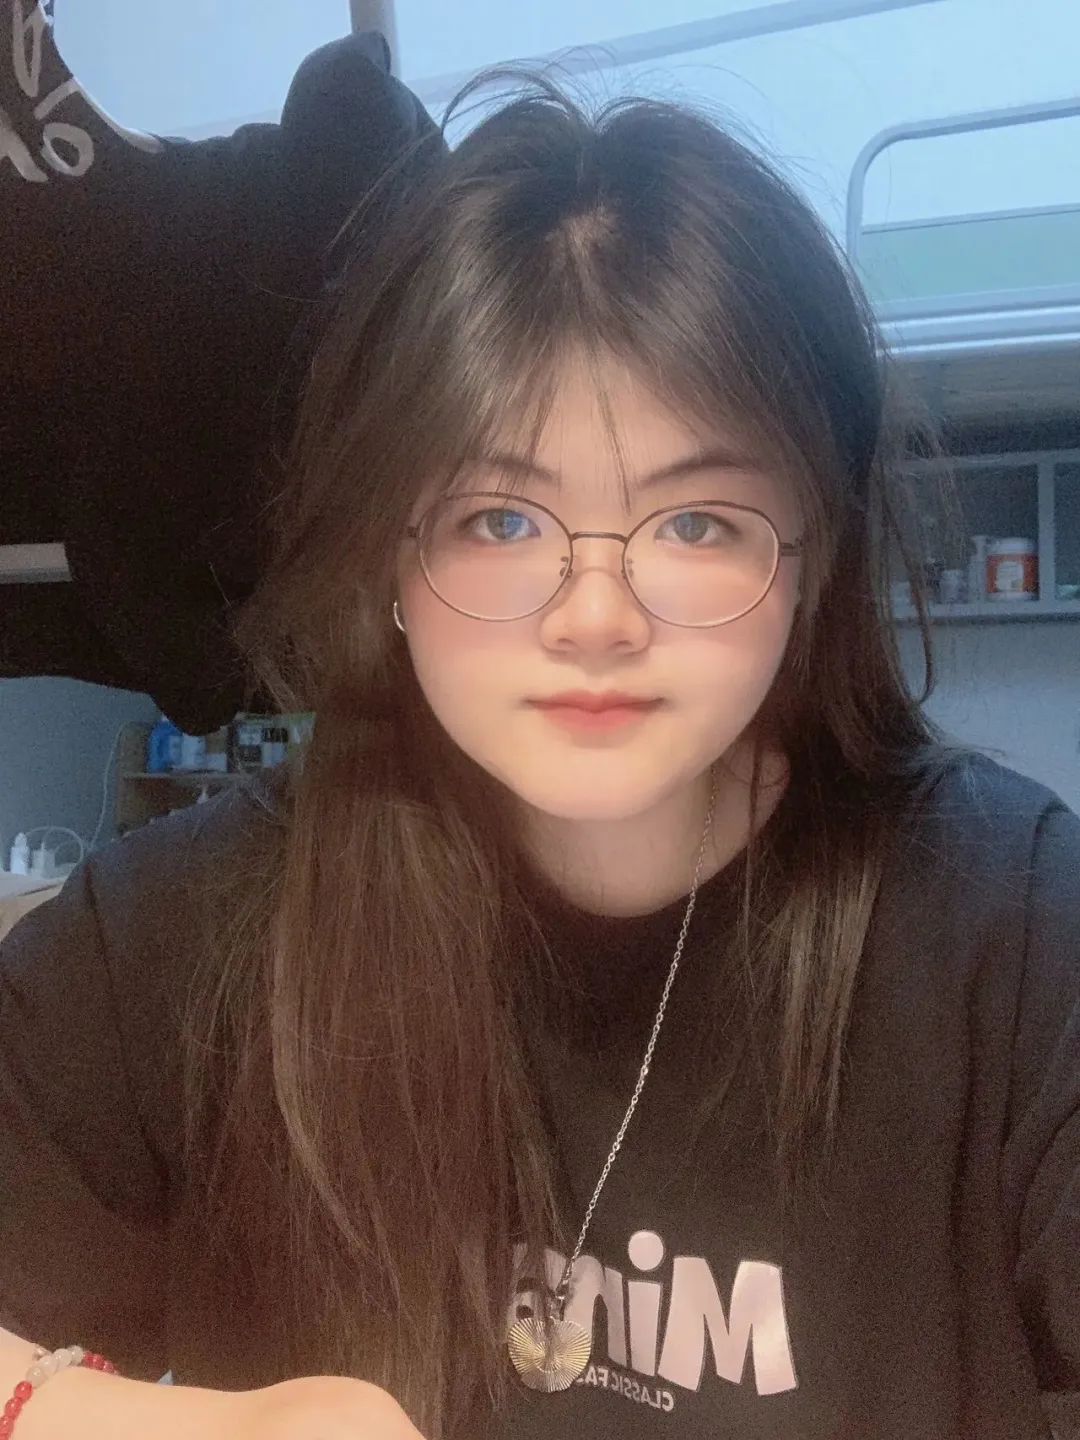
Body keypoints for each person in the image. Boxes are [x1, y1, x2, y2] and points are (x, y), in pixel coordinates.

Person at [1, 70, 1078, 1440]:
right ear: (392, 555)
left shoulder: (1019, 942)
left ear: (812, 559)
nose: (596, 617)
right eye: (500, 522)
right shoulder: (183, 931)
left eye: (695, 524)